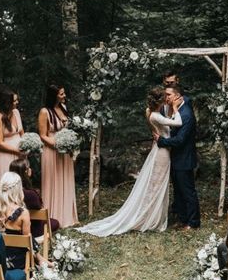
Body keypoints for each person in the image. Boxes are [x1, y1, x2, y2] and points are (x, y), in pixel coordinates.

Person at [78, 87, 183, 236]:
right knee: (157, 185)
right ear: (159, 102)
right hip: (162, 153)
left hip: (160, 149)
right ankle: (149, 217)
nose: (166, 100)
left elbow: (164, 125)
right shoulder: (155, 116)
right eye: (163, 99)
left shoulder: (151, 112)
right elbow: (178, 123)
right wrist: (174, 107)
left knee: (156, 184)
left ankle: (152, 215)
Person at [154, 79, 200, 230]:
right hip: (176, 158)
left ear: (177, 96)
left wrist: (161, 141)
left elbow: (180, 140)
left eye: (168, 95)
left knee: (187, 192)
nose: (165, 97)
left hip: (184, 159)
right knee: (179, 191)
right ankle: (182, 219)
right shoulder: (176, 111)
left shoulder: (186, 114)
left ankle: (193, 223)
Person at [0, 172, 51, 270]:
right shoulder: (23, 213)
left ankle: (41, 259)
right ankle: (40, 259)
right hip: (16, 263)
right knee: (28, 238)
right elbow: (28, 244)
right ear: (18, 189)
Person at [38, 84, 78, 228]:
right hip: (51, 150)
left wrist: (69, 144)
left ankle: (67, 215)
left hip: (65, 151)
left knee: (65, 179)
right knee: (53, 181)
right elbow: (42, 135)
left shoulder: (64, 108)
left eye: (64, 93)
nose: (64, 96)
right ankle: (53, 215)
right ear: (54, 95)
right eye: (61, 94)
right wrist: (57, 144)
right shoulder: (44, 112)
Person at [8, 158, 60, 239]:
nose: (30, 169)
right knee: (55, 223)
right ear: (26, 171)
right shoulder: (30, 194)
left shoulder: (7, 192)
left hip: (12, 227)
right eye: (29, 167)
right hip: (33, 229)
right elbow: (39, 208)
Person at [0, 89, 24, 200]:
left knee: (19, 182)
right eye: (14, 101)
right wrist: (16, 150)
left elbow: (21, 132)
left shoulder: (16, 113)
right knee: (8, 184)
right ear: (7, 102)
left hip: (19, 154)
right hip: (6, 155)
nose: (17, 102)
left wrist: (26, 145)